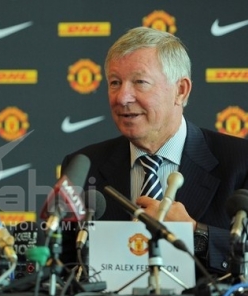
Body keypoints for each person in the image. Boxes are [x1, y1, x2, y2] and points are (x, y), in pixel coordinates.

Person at [61, 26, 248, 278]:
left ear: (180, 90)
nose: (122, 97)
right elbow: (65, 265)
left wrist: (196, 233)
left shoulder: (239, 161)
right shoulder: (85, 165)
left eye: (140, 82)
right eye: (115, 82)